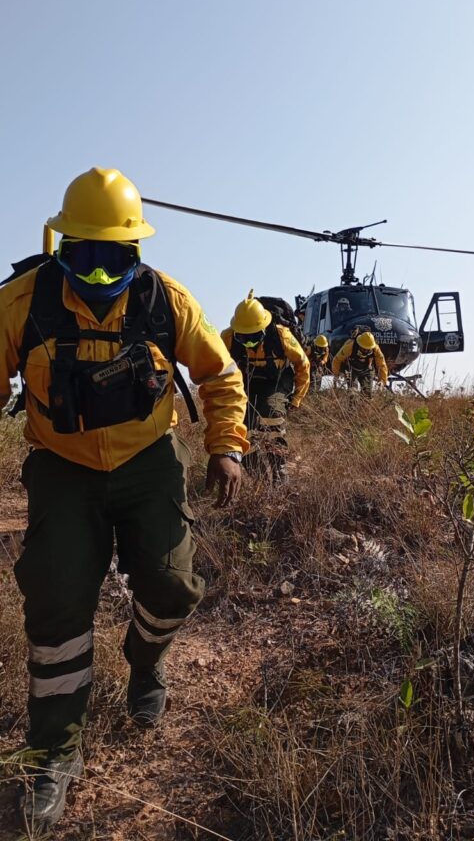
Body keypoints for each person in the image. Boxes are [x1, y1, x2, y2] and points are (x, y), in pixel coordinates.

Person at [0, 167, 248, 833]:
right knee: (55, 599)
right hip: (63, 467)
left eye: (115, 257)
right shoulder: (23, 302)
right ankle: (53, 751)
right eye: (86, 255)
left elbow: (221, 374)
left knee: (171, 585)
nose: (101, 273)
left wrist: (227, 446)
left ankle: (146, 662)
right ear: (62, 246)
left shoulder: (168, 301)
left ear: (135, 250)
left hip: (149, 462)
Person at [221, 290, 310, 485]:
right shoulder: (227, 338)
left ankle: (280, 469)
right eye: (244, 339)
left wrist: (297, 398)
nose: (250, 343)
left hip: (278, 381)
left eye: (254, 338)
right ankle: (259, 477)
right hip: (247, 384)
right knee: (242, 428)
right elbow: (215, 367)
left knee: (272, 416)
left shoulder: (281, 335)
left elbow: (303, 365)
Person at [331, 331, 388, 395]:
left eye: (368, 349)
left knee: (367, 393)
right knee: (352, 392)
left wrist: (382, 381)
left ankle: (363, 404)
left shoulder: (375, 349)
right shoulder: (350, 346)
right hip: (351, 370)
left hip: (366, 370)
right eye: (364, 348)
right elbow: (337, 359)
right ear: (359, 344)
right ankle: (352, 404)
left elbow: (382, 365)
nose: (366, 350)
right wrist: (336, 374)